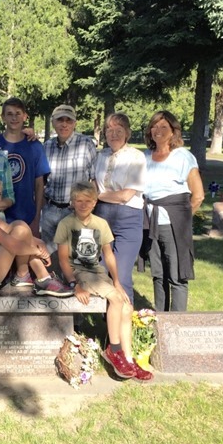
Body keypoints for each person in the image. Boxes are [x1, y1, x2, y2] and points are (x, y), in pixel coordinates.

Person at [55, 181, 152, 381]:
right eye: (79, 201)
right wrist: (74, 283)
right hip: (80, 273)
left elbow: (108, 255)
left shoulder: (101, 223)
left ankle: (128, 359)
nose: (83, 205)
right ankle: (113, 350)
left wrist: (117, 281)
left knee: (127, 306)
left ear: (95, 202)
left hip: (97, 273)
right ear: (72, 202)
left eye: (88, 201)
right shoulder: (66, 224)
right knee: (115, 299)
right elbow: (63, 259)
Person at [143, 110, 204, 312]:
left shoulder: (183, 157)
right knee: (158, 274)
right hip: (150, 223)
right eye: (154, 126)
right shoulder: (145, 157)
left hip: (173, 223)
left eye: (163, 127)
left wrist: (182, 219)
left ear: (173, 131)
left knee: (176, 276)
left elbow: (198, 195)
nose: (158, 130)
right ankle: (160, 319)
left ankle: (177, 322)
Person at [94, 112, 146, 305]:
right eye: (109, 130)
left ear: (127, 133)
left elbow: (126, 195)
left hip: (128, 218)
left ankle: (125, 320)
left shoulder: (136, 156)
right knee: (101, 273)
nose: (113, 134)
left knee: (121, 276)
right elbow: (93, 183)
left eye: (119, 130)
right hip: (101, 217)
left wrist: (98, 196)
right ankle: (107, 320)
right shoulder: (101, 156)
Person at [41, 104, 97, 253]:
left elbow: (94, 180)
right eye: (60, 120)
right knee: (49, 256)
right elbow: (42, 180)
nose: (64, 124)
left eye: (69, 120)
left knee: (77, 255)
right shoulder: (46, 147)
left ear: (74, 123)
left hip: (76, 211)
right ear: (53, 122)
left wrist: (89, 208)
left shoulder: (86, 144)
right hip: (50, 210)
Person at [0, 97, 50, 237]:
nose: (14, 118)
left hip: (27, 216)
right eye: (9, 114)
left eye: (18, 113)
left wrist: (36, 218)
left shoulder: (34, 146)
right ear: (3, 117)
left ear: (24, 116)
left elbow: (39, 185)